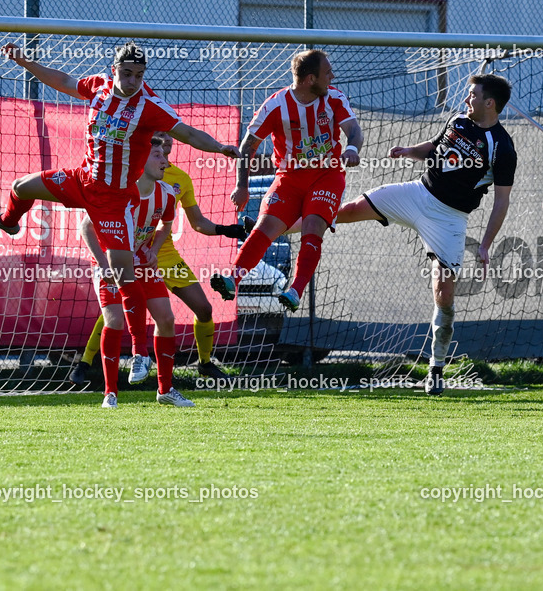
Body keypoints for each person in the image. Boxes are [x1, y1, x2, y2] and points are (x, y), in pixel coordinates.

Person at [0, 42, 240, 386]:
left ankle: (140, 356)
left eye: (140, 75)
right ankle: (8, 222)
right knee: (21, 187)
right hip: (82, 181)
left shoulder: (148, 105)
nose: (133, 81)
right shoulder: (98, 85)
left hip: (114, 201)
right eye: (127, 74)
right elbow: (65, 82)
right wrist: (25, 61)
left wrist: (219, 147)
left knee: (123, 276)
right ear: (114, 70)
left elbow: (186, 133)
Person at [332, 74, 516, 396]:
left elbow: (502, 201)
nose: (466, 99)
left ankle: (436, 368)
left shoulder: (501, 146)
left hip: (450, 219)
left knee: (444, 295)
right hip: (418, 193)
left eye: (472, 95)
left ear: (490, 103)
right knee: (347, 211)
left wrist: (485, 244)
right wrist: (408, 151)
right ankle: (279, 224)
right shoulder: (458, 120)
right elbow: (434, 147)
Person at [71, 132, 250, 386]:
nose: (165, 143)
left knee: (203, 309)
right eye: (159, 137)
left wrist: (227, 229)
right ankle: (86, 363)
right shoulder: (130, 173)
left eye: (169, 137)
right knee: (116, 309)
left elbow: (197, 223)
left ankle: (205, 363)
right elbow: (90, 223)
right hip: (131, 253)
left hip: (162, 254)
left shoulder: (180, 179)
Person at [210, 49, 363, 312]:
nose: (333, 76)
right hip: (290, 179)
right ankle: (232, 280)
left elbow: (354, 130)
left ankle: (295, 290)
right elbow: (248, 146)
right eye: (327, 72)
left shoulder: (334, 98)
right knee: (264, 227)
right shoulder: (275, 105)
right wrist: (242, 185)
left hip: (327, 176)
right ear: (310, 79)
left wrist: (352, 148)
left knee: (313, 224)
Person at [80, 138, 193, 408]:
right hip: (111, 262)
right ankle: (110, 393)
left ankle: (165, 389)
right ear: (139, 160)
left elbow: (166, 224)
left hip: (142, 261)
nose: (165, 160)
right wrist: (102, 264)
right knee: (114, 320)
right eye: (156, 155)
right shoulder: (118, 191)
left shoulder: (166, 193)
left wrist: (154, 248)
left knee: (166, 318)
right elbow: (86, 227)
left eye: (164, 155)